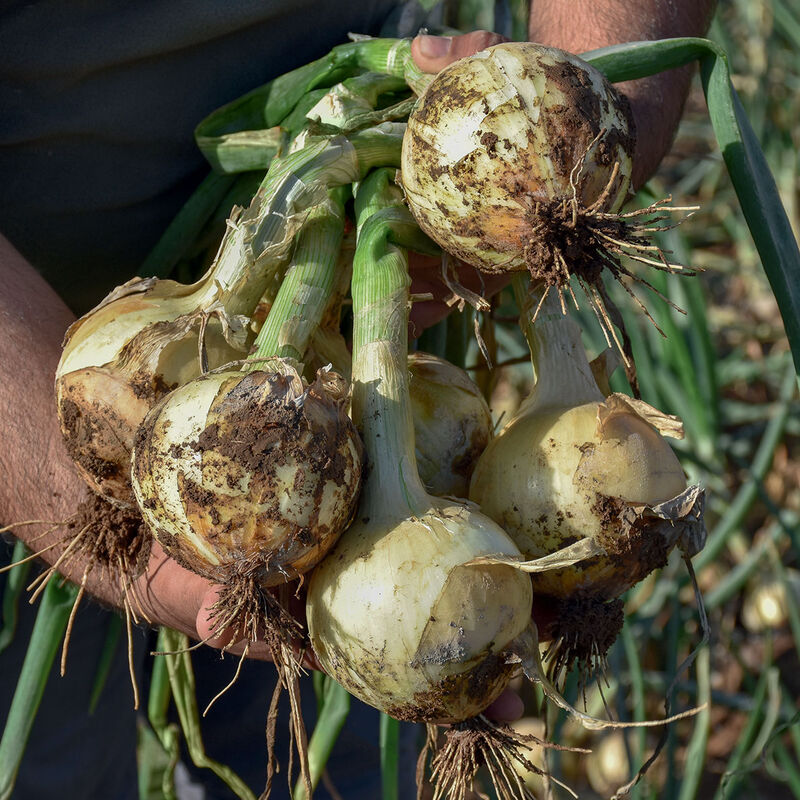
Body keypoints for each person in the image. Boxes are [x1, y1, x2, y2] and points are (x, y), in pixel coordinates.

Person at [0, 1, 716, 797]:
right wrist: (38, 465)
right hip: (19, 395)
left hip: (318, 532)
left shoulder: (338, 452)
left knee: (337, 770)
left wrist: (584, 120)